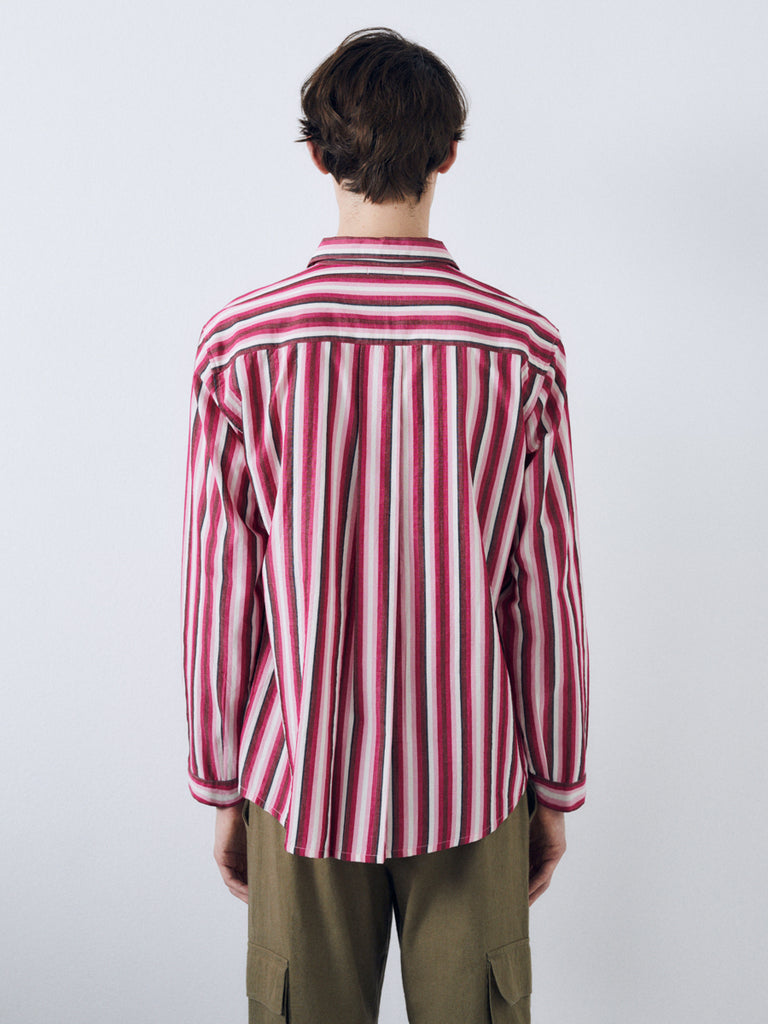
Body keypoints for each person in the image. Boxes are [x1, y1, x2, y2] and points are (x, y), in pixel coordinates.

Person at [181, 26, 589, 1024]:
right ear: (448, 153)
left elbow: (221, 590)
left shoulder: (240, 345)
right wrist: (555, 784)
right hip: (474, 775)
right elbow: (545, 590)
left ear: (318, 155)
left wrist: (222, 782)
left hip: (297, 773)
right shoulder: (523, 348)